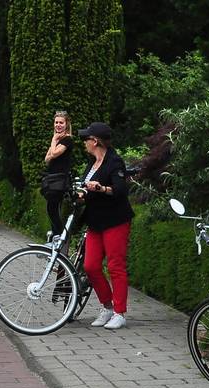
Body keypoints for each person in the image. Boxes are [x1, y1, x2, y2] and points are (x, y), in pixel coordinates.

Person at [77, 121, 134, 330]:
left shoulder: (114, 162)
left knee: (115, 266)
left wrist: (100, 188)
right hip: (96, 221)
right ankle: (107, 306)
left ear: (95, 141)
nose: (84, 142)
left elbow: (119, 190)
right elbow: (86, 188)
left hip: (115, 220)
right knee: (90, 266)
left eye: (86, 139)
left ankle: (120, 312)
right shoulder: (91, 164)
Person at [42, 111, 76, 240]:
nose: (58, 125)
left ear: (66, 124)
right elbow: (47, 159)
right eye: (56, 122)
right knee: (51, 209)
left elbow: (54, 154)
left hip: (59, 180)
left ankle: (60, 239)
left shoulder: (67, 140)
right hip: (52, 180)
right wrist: (54, 145)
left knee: (53, 209)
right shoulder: (59, 139)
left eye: (61, 122)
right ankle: (56, 238)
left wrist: (53, 140)